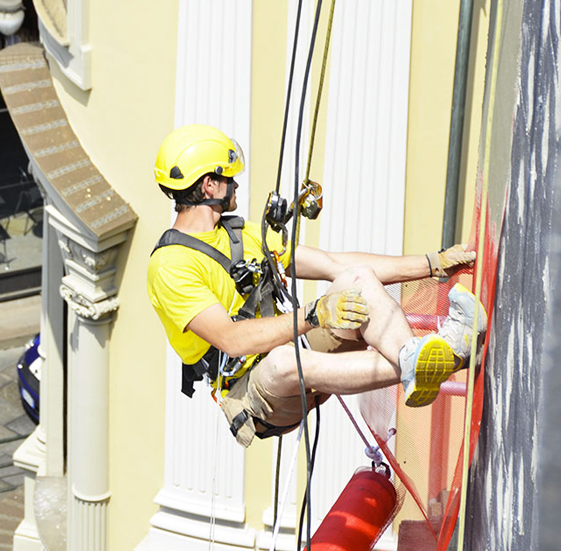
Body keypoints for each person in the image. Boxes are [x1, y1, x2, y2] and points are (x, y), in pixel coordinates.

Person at [147, 124, 488, 447]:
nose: (235, 185)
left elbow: (336, 264)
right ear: (209, 185)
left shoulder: (242, 234)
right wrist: (314, 314)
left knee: (355, 281)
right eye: (228, 176)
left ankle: (423, 358)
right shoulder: (170, 265)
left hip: (295, 350)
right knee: (282, 361)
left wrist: (432, 263)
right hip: (256, 394)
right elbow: (232, 340)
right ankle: (444, 351)